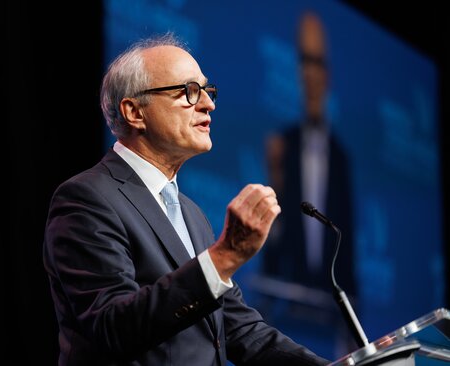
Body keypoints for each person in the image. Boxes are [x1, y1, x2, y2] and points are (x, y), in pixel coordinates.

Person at [43, 32, 330, 365]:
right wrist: (224, 257)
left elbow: (241, 331)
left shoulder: (192, 214)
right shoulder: (86, 199)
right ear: (135, 112)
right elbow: (113, 327)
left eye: (207, 91)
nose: (209, 103)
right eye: (190, 91)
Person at [263, 11, 355, 297]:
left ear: (328, 75)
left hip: (330, 303)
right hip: (287, 303)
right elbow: (273, 244)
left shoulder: (341, 158)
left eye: (316, 63)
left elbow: (348, 248)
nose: (310, 73)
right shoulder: (281, 146)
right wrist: (275, 181)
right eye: (304, 62)